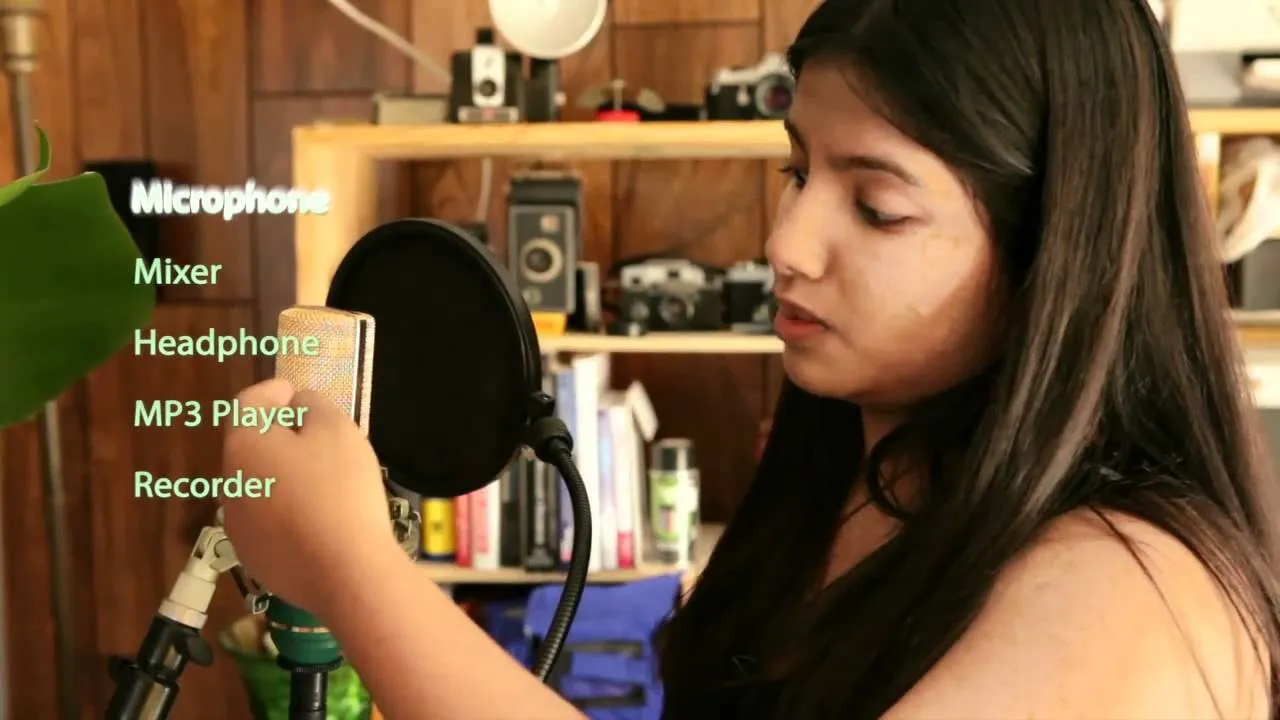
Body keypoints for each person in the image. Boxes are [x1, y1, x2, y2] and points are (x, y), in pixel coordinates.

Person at [220, 0, 1280, 717]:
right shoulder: (854, 467)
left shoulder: (1132, 587)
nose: (785, 245)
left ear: (1062, 246)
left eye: (874, 204)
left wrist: (352, 567)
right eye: (795, 172)